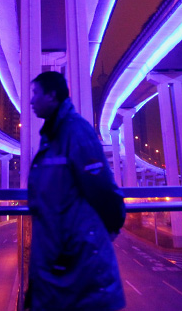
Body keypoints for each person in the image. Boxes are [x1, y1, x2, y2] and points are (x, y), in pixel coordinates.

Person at [25, 71, 126, 310]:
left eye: (35, 93)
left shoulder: (75, 132)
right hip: (58, 248)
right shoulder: (53, 135)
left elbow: (101, 187)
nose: (31, 100)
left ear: (52, 96)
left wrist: (113, 224)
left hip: (76, 249)